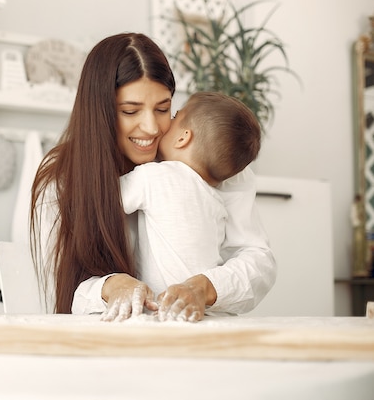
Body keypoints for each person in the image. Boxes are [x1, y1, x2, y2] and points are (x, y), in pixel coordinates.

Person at [29, 32, 276, 321]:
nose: (151, 127)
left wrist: (205, 287)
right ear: (101, 112)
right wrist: (109, 286)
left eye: (163, 109)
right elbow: (53, 291)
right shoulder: (61, 178)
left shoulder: (214, 165)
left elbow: (258, 260)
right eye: (130, 111)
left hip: (198, 331)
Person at [112, 91, 262, 322]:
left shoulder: (153, 176)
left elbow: (103, 200)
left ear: (183, 138)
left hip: (157, 308)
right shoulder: (217, 200)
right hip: (203, 312)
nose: (162, 125)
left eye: (174, 116)